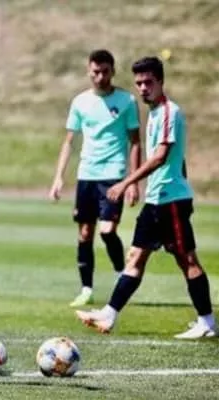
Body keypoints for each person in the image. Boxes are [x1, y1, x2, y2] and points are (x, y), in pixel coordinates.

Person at [75, 56, 216, 339]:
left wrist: (127, 182)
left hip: (170, 201)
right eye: (138, 83)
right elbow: (177, 159)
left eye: (148, 82)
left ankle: (207, 323)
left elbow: (160, 157)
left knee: (187, 260)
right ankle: (109, 315)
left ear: (161, 81)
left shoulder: (169, 112)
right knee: (136, 257)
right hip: (156, 200)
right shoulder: (153, 113)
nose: (142, 88)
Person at [49, 49, 141, 307]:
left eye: (105, 71)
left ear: (113, 71)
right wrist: (58, 177)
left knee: (107, 230)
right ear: (89, 71)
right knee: (85, 233)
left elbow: (135, 142)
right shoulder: (80, 102)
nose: (100, 77)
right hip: (87, 175)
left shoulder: (126, 101)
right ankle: (86, 289)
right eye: (96, 72)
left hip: (113, 175)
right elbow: (69, 141)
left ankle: (121, 273)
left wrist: (133, 181)